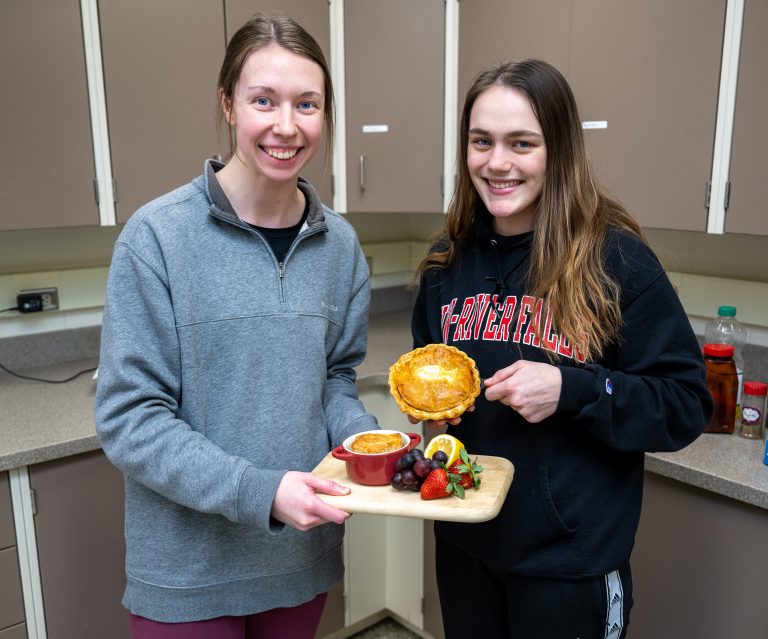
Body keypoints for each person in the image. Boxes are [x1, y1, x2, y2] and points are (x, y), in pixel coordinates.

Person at [95, 14, 378, 639]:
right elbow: (129, 418)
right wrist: (263, 491)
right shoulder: (157, 238)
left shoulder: (341, 246)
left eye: (307, 103)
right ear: (228, 104)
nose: (286, 125)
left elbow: (335, 379)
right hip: (187, 572)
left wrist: (364, 444)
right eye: (263, 100)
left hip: (297, 560)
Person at [409, 59, 712, 639]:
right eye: (482, 141)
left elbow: (685, 405)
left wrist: (573, 388)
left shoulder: (616, 261)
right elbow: (432, 374)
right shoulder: (447, 263)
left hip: (570, 566)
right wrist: (434, 406)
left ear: (561, 150)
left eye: (522, 143)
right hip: (465, 543)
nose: (497, 163)